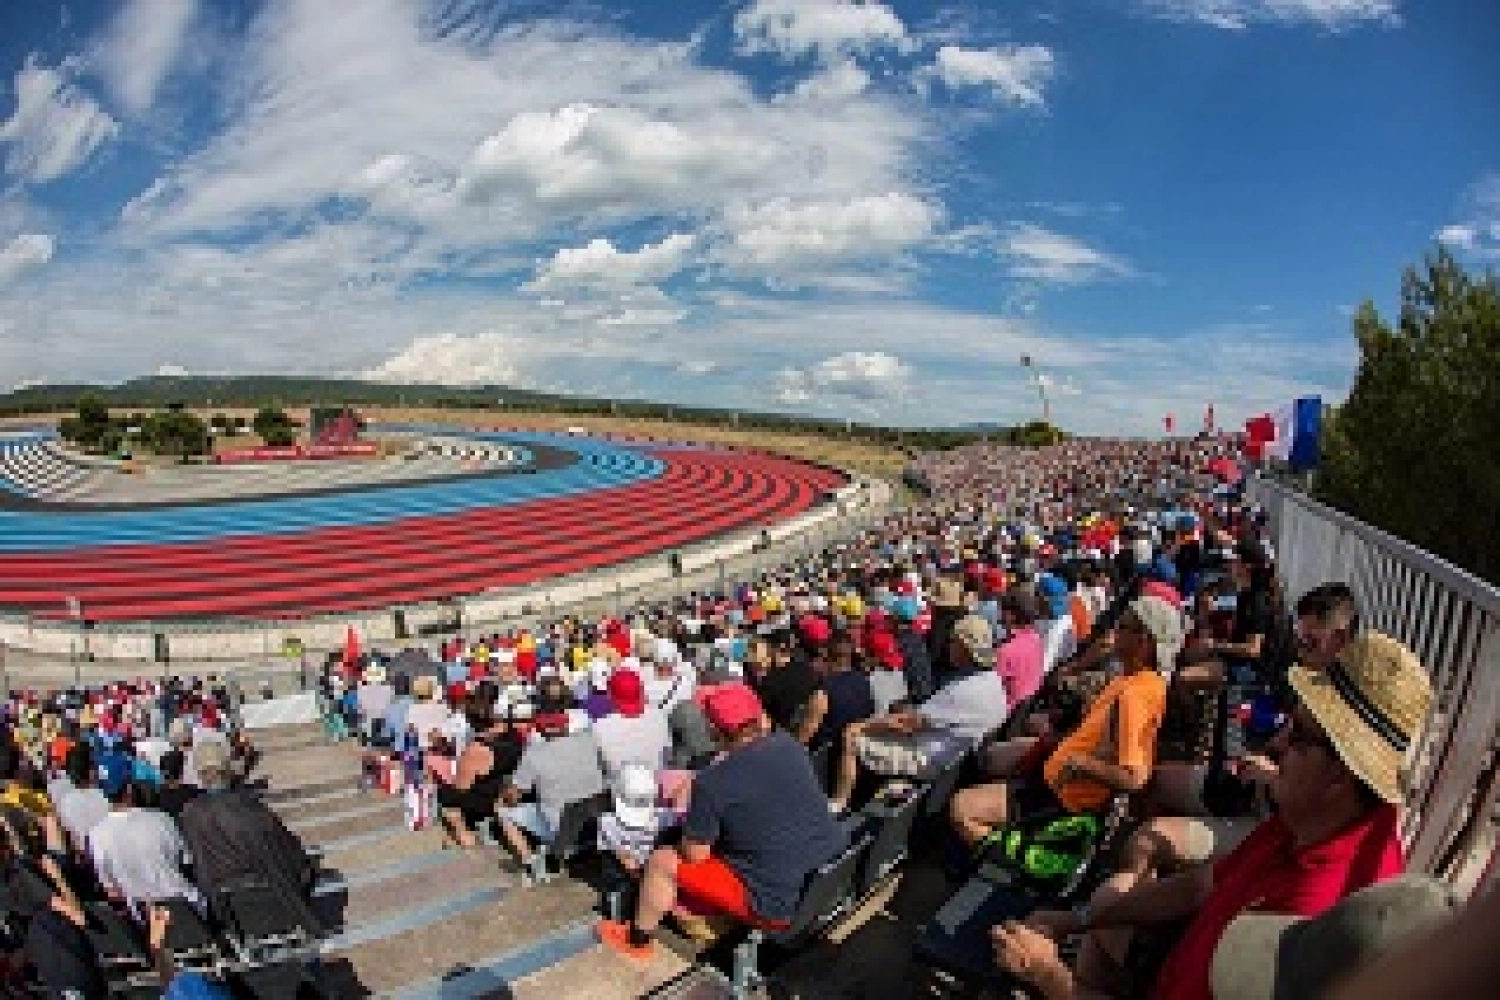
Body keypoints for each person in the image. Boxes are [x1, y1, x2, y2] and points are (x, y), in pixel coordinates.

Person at [990, 631, 1431, 1000]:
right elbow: (1202, 885)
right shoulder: (1314, 820)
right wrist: (1083, 918)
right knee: (1105, 908)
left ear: (1340, 776)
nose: (1275, 744)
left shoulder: (1313, 917)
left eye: (1297, 736)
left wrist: (1047, 975)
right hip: (1178, 963)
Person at [597, 685, 847, 959]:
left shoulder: (712, 783)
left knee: (662, 861)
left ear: (714, 732)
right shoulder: (789, 746)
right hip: (827, 874)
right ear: (758, 717)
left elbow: (694, 854)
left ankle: (637, 942)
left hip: (777, 905)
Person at [950, 595, 1179, 849]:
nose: (1114, 631)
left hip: (1062, 797)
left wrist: (1080, 763)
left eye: (1122, 627)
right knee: (997, 758)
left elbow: (1134, 777)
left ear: (1143, 641)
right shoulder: (1136, 681)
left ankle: (1023, 857)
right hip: (1056, 776)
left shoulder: (1135, 694)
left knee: (962, 808)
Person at [829, 614, 1009, 815]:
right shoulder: (992, 680)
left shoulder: (966, 690)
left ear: (964, 648)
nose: (948, 646)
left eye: (952, 642)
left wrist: (861, 726)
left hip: (929, 757)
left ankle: (838, 805)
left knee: (851, 737)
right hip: (955, 756)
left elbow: (908, 723)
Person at [176, 740, 323, 934]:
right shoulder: (248, 805)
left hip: (220, 899)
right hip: (263, 888)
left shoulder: (189, 813)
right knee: (304, 866)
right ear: (227, 769)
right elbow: (285, 844)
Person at [86, 753, 200, 913]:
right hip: (188, 908)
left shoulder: (95, 837)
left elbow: (111, 890)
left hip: (147, 918)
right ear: (129, 788)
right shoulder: (160, 819)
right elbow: (186, 862)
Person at [435, 696, 522, 850]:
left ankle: (464, 834)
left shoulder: (476, 750)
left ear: (471, 722)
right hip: (510, 788)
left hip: (488, 796)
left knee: (446, 796)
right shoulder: (513, 734)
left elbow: (462, 787)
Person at [591, 670, 671, 779]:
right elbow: (666, 755)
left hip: (618, 785)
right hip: (655, 780)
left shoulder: (599, 726)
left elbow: (600, 764)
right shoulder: (659, 715)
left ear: (610, 695)